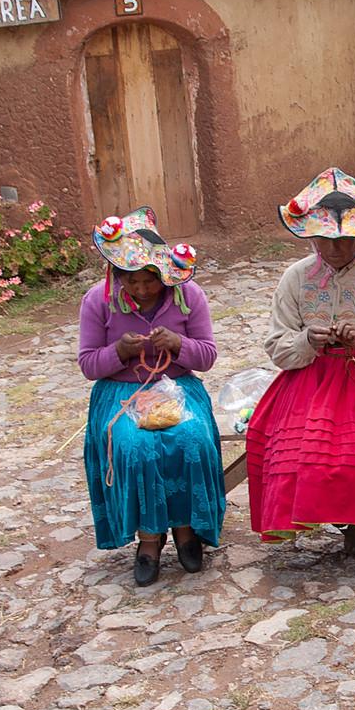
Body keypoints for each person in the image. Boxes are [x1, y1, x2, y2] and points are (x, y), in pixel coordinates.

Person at [244, 168, 355, 555]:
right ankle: (328, 515)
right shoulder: (295, 278)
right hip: (309, 377)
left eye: (345, 238)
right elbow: (277, 344)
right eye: (324, 238)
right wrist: (307, 340)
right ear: (311, 236)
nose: (334, 248)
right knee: (296, 446)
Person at [78, 209, 226, 586]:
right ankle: (149, 539)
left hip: (177, 388)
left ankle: (187, 531)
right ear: (116, 274)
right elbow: (89, 364)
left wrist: (179, 344)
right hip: (121, 394)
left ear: (164, 274)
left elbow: (207, 356)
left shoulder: (188, 295)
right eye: (133, 281)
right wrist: (119, 352)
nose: (142, 290)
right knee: (134, 446)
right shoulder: (98, 301)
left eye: (150, 281)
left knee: (191, 439)